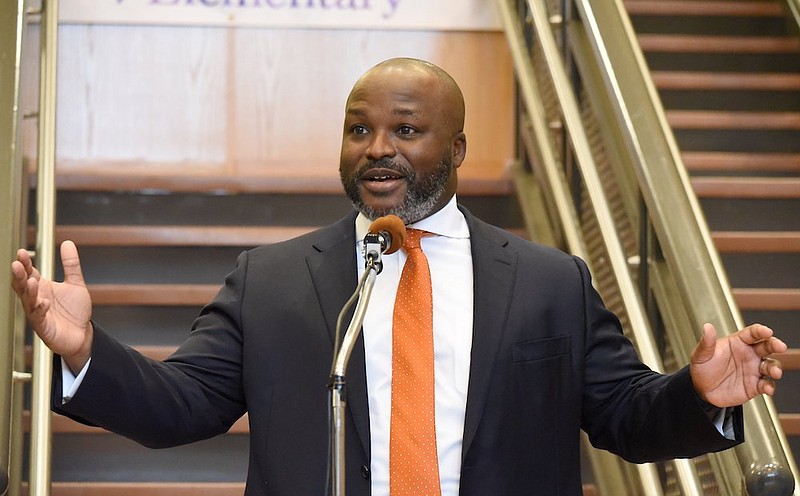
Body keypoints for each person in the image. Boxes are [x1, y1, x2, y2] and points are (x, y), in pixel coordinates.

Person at [11, 57, 787, 496]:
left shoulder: (551, 283)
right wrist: (84, 351)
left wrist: (698, 396)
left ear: (455, 151)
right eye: (359, 130)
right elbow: (181, 406)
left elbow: (623, 415)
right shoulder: (273, 280)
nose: (377, 148)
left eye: (406, 131)